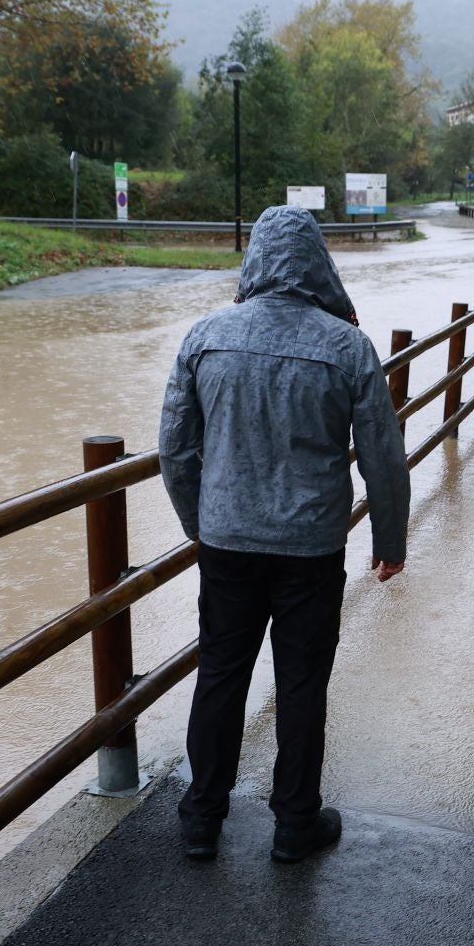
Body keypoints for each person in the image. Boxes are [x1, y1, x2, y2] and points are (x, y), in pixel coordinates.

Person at [159, 205, 411, 864]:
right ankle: (296, 822)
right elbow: (382, 455)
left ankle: (200, 819)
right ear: (318, 265)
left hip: (228, 544)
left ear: (254, 262)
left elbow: (175, 452)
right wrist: (391, 541)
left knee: (219, 674)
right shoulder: (347, 346)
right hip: (311, 548)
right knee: (301, 680)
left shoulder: (204, 336)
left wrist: (200, 523)